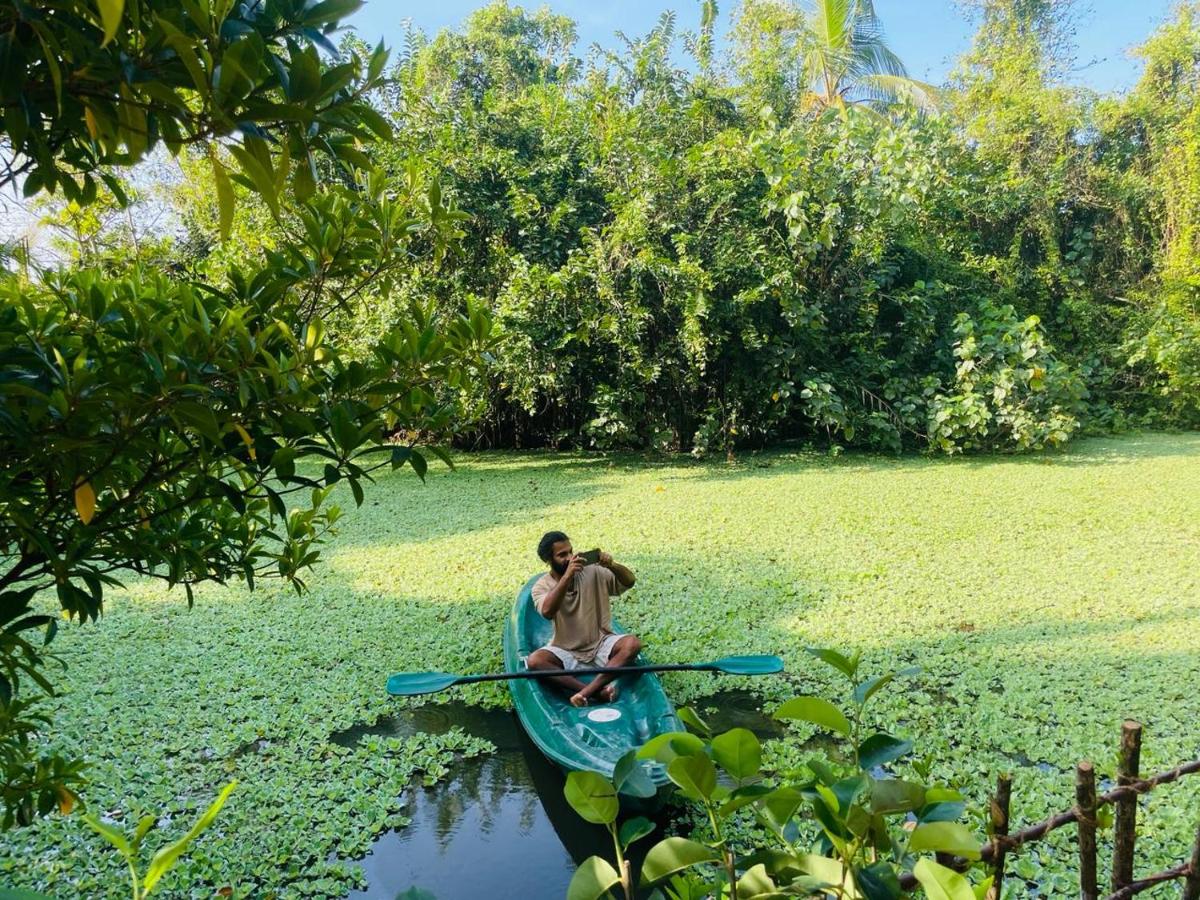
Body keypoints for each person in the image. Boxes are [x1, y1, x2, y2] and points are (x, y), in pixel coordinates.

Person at [526, 530, 641, 707]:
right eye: (562, 555)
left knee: (632, 644)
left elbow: (629, 581)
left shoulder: (592, 571)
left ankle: (586, 693)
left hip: (601, 642)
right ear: (548, 560)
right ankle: (597, 691)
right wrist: (567, 576)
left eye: (571, 552)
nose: (570, 557)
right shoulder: (541, 586)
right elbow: (548, 611)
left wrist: (612, 565)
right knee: (535, 661)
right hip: (565, 649)